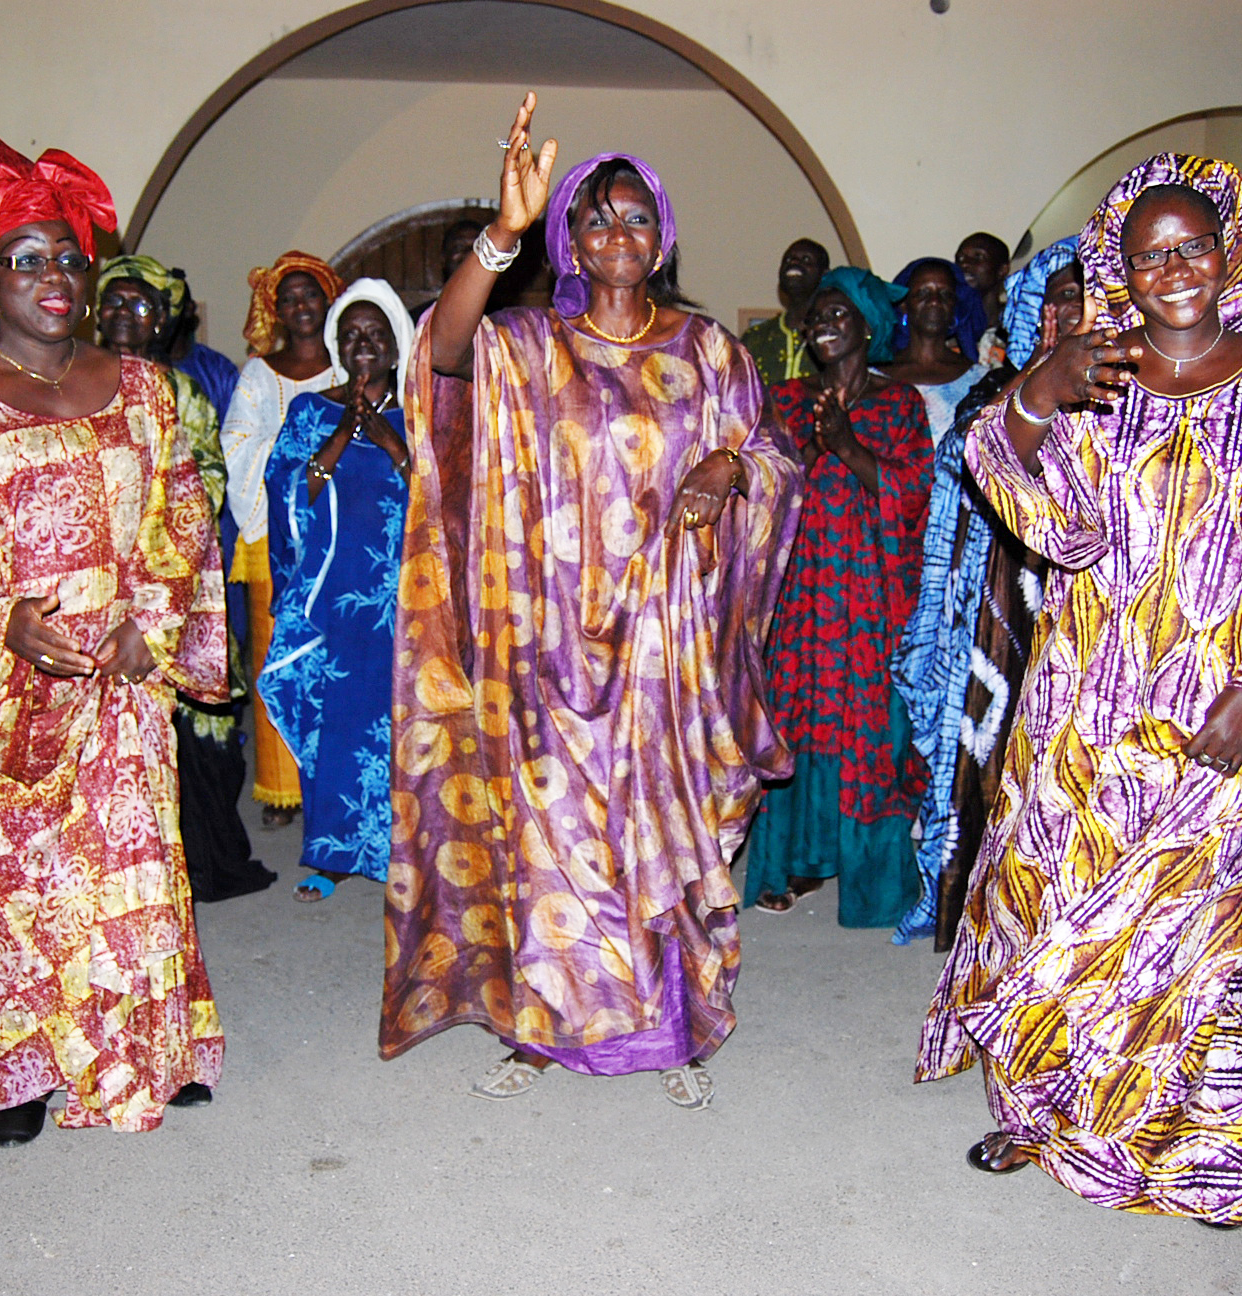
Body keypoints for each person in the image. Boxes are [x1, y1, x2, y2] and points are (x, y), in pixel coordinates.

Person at [916, 155, 1242, 1227]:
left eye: (1192, 245)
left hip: (1221, 706)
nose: (1173, 267)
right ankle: (1041, 1110)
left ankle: (1173, 1140)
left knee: (1190, 922)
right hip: (1082, 696)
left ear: (1229, 253)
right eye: (1148, 251)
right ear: (1120, 267)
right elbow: (1043, 519)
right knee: (1056, 903)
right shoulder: (1094, 376)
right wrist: (1035, 393)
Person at [385, 93, 802, 1109]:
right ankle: (541, 1028)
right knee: (551, 833)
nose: (618, 234)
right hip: (542, 639)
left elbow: (771, 455)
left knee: (661, 835)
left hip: (669, 655)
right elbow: (437, 363)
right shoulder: (526, 344)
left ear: (662, 240)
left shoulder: (710, 352)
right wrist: (498, 238)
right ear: (568, 238)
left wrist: (731, 472)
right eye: (596, 218)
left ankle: (671, 1030)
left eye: (636, 218)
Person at [0, 136, 226, 1145]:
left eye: (69, 255)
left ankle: (150, 1051)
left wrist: (151, 632)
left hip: (120, 681)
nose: (56, 278)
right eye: (27, 259)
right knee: (22, 889)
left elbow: (182, 519)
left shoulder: (144, 388)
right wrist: (5, 626)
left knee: (125, 873)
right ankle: (24, 1071)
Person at [890, 238, 1080, 949]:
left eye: (1083, 291)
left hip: (1092, 620)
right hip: (994, 613)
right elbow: (957, 483)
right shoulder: (992, 390)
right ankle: (978, 909)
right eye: (1056, 294)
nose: (1069, 305)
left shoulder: (1136, 388)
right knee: (984, 760)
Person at [743, 268, 930, 925]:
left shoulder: (899, 405)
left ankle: (874, 880)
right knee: (796, 721)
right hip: (798, 595)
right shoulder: (786, 401)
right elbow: (760, 484)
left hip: (870, 597)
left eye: (838, 314)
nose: (823, 324)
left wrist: (848, 447)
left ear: (868, 327)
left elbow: (914, 497)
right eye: (816, 316)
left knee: (868, 728)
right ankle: (796, 864)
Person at [95, 253, 274, 904]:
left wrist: (150, 546)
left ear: (162, 321)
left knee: (203, 738)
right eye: (113, 302)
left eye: (139, 306)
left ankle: (207, 861)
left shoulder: (184, 393)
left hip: (179, 583)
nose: (124, 316)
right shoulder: (73, 385)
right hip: (96, 589)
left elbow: (206, 486)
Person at [258, 279, 413, 901]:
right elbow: (287, 495)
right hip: (332, 595)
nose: (363, 345)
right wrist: (343, 434)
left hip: (404, 593)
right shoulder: (310, 411)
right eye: (351, 336)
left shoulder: (423, 412)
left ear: (396, 346)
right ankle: (330, 853)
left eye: (375, 335)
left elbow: (446, 496)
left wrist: (389, 440)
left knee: (402, 722)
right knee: (334, 721)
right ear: (337, 345)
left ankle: (405, 850)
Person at [221, 250, 346, 829]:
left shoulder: (352, 362)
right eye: (288, 298)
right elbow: (238, 446)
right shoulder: (258, 374)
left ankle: (338, 779)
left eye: (310, 295)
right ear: (276, 309)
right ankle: (281, 785)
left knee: (336, 661)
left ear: (329, 299)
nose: (301, 307)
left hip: (338, 535)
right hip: (272, 535)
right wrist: (291, 457)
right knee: (277, 656)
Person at [885, 257, 989, 444]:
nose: (934, 301)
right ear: (904, 305)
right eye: (923, 293)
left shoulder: (980, 380)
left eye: (945, 294)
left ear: (954, 307)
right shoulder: (875, 376)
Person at [740, 238, 829, 388]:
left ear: (824, 274)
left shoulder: (832, 338)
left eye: (806, 259)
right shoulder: (754, 338)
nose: (794, 263)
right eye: (788, 259)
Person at [164, 267, 240, 424]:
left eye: (172, 306)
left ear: (189, 309)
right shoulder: (136, 367)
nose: (164, 315)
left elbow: (235, 430)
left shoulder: (217, 369)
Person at [953, 232, 1010, 366]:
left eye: (978, 257)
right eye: (960, 259)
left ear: (1002, 270)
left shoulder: (1019, 327)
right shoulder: (947, 326)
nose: (965, 264)